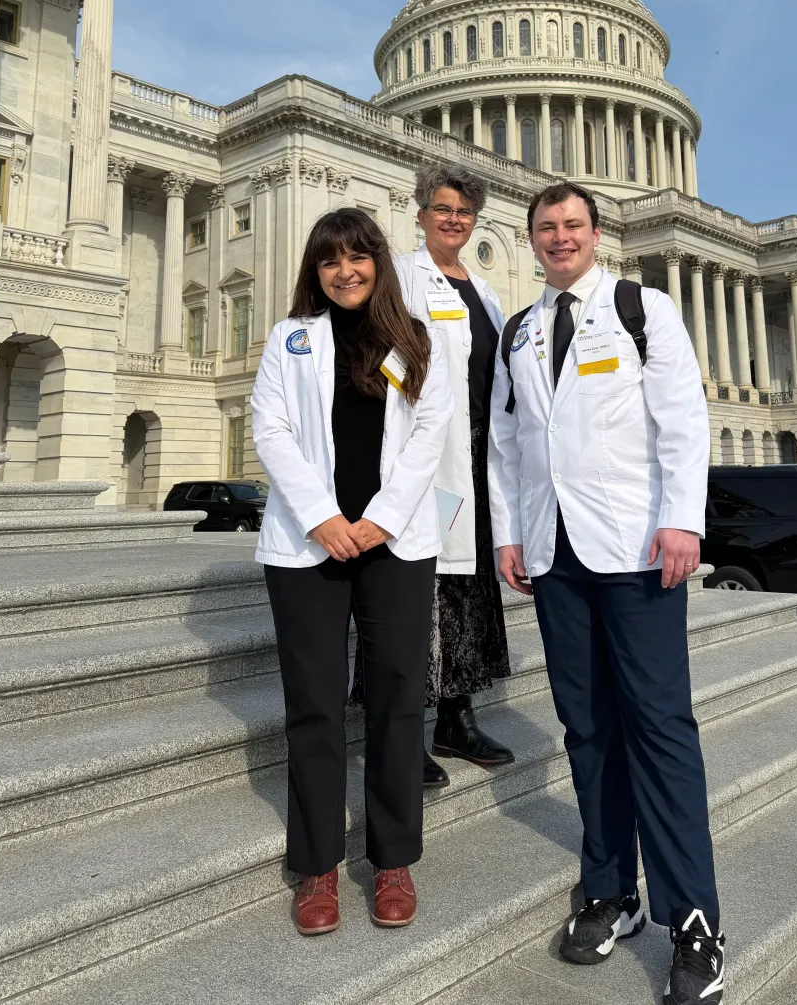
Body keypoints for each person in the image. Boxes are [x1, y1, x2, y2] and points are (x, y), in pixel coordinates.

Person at [488, 183, 724, 1005]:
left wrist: (683, 521)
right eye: (546, 227)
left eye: (573, 225)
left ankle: (694, 922)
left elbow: (682, 421)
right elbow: (506, 442)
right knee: (586, 728)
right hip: (555, 554)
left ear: (596, 233)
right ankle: (611, 889)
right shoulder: (520, 331)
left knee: (659, 728)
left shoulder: (641, 308)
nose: (560, 238)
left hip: (635, 546)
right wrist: (508, 534)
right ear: (532, 239)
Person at [252, 208, 453, 938]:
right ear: (316, 268)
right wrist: (322, 517)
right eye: (331, 259)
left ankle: (392, 858)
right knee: (313, 702)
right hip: (310, 544)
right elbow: (267, 426)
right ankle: (317, 866)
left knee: (399, 697)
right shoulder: (290, 337)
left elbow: (430, 435)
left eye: (358, 256)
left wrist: (381, 518)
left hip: (393, 540)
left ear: (378, 262)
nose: (345, 270)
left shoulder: (413, 341)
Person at [396, 163, 513, 788]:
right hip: (429, 463)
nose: (453, 220)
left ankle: (456, 714)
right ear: (420, 214)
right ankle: (404, 727)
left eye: (464, 212)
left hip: (476, 456)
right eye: (442, 209)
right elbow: (387, 362)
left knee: (468, 590)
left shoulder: (485, 290)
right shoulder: (403, 277)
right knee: (421, 589)